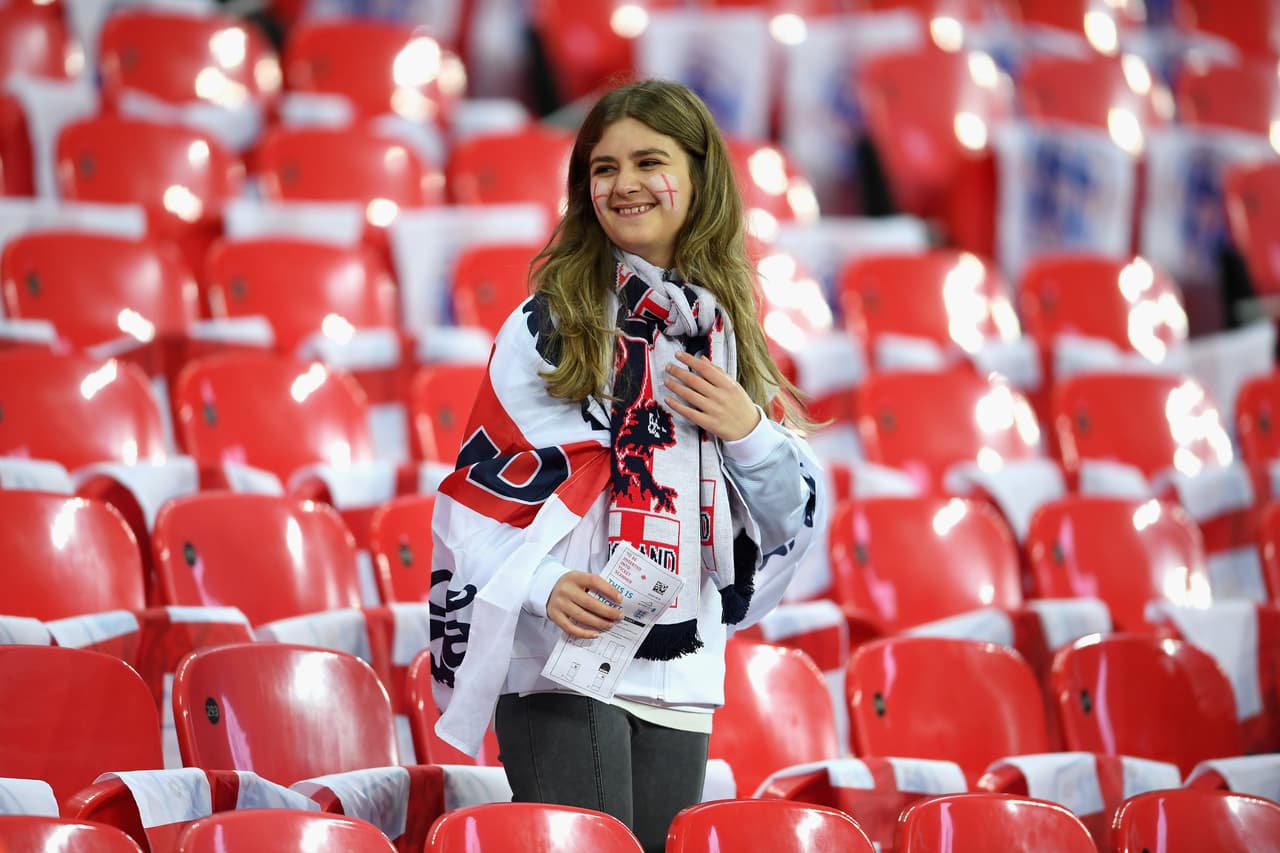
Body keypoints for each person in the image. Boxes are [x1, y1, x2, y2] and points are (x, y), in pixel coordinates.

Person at [427, 78, 824, 853]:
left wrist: (747, 430)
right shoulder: (549, 323)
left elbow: (785, 521)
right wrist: (542, 585)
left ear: (700, 175)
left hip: (682, 671)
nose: (625, 184)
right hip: (562, 664)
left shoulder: (725, 332)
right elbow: (475, 497)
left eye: (650, 161)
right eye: (603, 168)